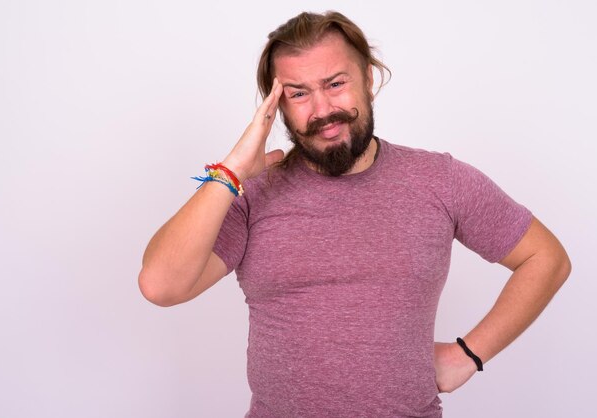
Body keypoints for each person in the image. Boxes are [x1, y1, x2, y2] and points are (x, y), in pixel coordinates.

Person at [138, 11, 571, 418]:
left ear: (368, 78)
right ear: (276, 108)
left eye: (336, 83)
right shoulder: (252, 193)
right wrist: (231, 169)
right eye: (298, 93)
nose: (322, 109)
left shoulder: (440, 179)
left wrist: (468, 354)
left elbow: (545, 258)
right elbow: (161, 285)